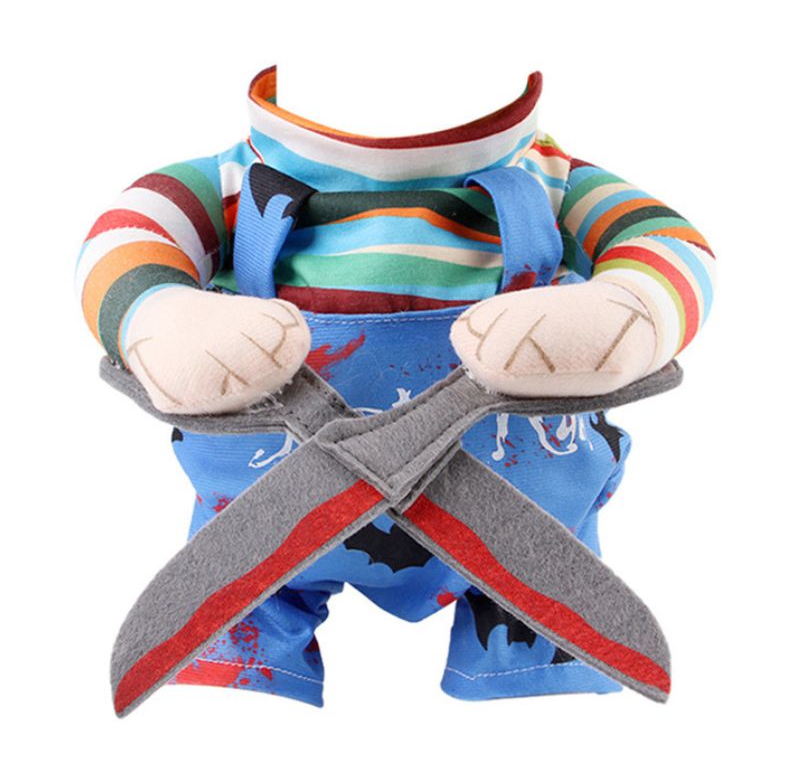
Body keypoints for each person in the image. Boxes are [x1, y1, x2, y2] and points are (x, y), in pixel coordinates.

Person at [76, 64, 716, 706]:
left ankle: (524, 665)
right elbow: (129, 240)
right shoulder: (227, 186)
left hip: (532, 544)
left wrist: (626, 313)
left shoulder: (556, 184)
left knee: (540, 711)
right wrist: (158, 316)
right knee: (228, 704)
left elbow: (666, 242)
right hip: (258, 533)